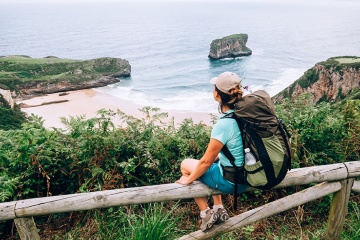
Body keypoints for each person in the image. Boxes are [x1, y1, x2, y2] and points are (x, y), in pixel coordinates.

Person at [176, 71, 249, 232]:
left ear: (217, 94)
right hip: (250, 175)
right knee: (213, 162)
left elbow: (205, 162)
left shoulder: (224, 124)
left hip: (232, 182)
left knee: (185, 167)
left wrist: (187, 181)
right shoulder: (246, 114)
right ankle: (218, 207)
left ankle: (206, 213)